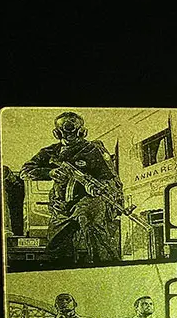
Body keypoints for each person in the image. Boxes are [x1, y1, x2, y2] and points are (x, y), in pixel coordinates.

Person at [18, 111, 124, 266]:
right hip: (61, 204)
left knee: (94, 229)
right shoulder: (50, 152)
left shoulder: (93, 150)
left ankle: (108, 267)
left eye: (74, 132)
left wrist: (95, 187)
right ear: (57, 133)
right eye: (65, 132)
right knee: (56, 246)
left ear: (82, 131)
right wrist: (50, 172)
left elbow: (110, 177)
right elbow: (25, 171)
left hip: (88, 200)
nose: (70, 136)